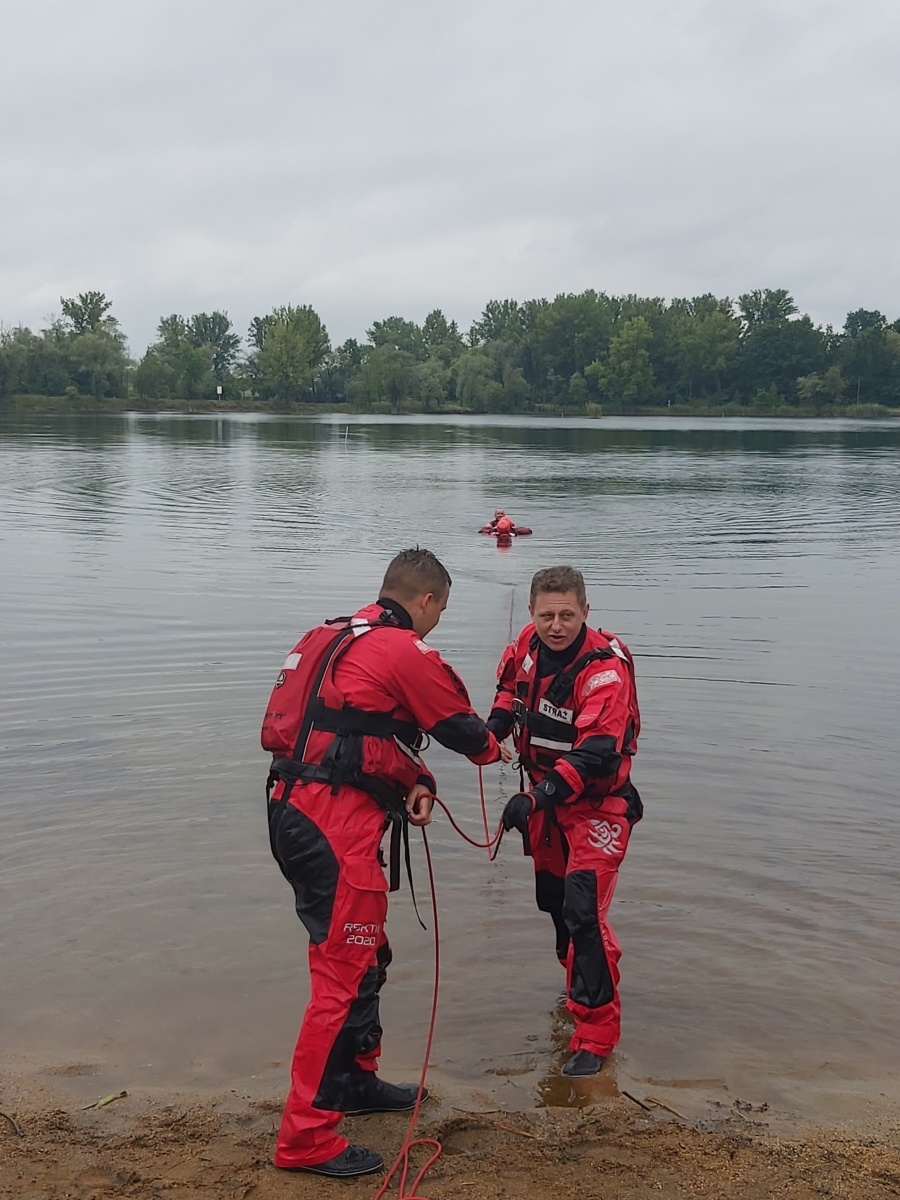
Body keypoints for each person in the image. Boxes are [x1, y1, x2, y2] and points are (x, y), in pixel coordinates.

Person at [262, 548, 508, 1177]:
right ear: (426, 600)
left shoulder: (329, 636)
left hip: (296, 809)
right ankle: (306, 1138)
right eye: (441, 613)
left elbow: (352, 735)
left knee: (368, 952)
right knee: (340, 977)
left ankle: (355, 1081)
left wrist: (415, 778)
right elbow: (463, 727)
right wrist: (493, 751)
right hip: (330, 826)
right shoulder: (403, 648)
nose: (436, 625)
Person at [486, 566, 642, 1077]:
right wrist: (491, 730)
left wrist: (536, 798)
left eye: (567, 615)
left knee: (584, 913)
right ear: (532, 613)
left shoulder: (604, 671)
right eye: (547, 615)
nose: (556, 625)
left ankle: (596, 1035)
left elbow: (597, 752)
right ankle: (576, 987)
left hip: (598, 805)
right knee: (553, 903)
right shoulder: (526, 643)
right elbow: (510, 692)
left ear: (586, 612)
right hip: (548, 802)